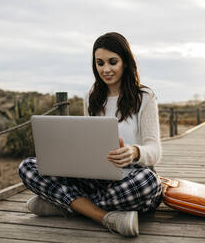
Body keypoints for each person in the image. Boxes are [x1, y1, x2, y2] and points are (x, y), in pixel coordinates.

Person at [18, 32, 163, 237]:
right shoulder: (92, 96)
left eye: (113, 62)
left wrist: (135, 152)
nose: (106, 69)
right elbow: (87, 143)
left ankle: (66, 206)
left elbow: (155, 150)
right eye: (99, 63)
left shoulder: (145, 97)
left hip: (130, 177)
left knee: (149, 184)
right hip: (95, 178)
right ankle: (105, 216)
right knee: (28, 166)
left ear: (126, 62)